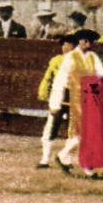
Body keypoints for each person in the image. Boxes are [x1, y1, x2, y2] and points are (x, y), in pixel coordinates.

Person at [48, 30, 103, 178]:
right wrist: (55, 102)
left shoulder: (92, 57)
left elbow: (102, 75)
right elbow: (60, 80)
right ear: (80, 41)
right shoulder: (70, 57)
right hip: (77, 100)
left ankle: (65, 157)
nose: (88, 44)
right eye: (85, 41)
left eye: (90, 42)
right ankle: (86, 168)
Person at [36, 36, 75, 168]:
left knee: (72, 130)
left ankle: (67, 159)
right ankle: (45, 159)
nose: (65, 47)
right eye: (63, 44)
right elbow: (48, 77)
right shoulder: (56, 60)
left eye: (68, 44)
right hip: (59, 96)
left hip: (73, 97)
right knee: (51, 126)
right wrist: (43, 92)